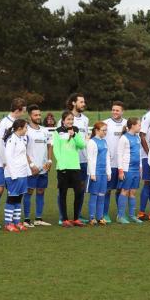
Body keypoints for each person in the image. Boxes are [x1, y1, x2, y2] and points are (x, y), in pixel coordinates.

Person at [0, 98, 27, 230]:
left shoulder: (19, 124)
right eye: (23, 111)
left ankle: (12, 220)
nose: (24, 114)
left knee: (15, 192)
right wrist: (5, 162)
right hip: (2, 163)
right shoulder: (4, 123)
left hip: (17, 165)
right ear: (18, 110)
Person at [53, 110, 87, 227]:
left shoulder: (75, 130)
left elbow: (82, 145)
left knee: (78, 192)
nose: (70, 121)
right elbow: (56, 150)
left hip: (75, 166)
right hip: (63, 168)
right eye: (68, 119)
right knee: (63, 193)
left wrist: (74, 135)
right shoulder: (57, 132)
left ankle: (76, 218)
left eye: (72, 119)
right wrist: (61, 165)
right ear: (63, 121)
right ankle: (65, 219)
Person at [23, 104, 53, 227]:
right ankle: (26, 219)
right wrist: (30, 164)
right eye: (35, 115)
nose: (38, 117)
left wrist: (49, 161)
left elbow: (50, 145)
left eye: (39, 114)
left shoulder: (44, 130)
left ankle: (38, 218)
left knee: (41, 191)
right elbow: (23, 149)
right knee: (29, 192)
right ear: (30, 116)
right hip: (31, 168)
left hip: (43, 168)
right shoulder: (26, 131)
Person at [62, 93, 89, 223]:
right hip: (68, 162)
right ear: (73, 103)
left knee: (81, 189)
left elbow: (85, 139)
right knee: (64, 189)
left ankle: (77, 215)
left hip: (83, 160)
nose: (83, 104)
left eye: (84, 102)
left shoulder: (85, 119)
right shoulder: (65, 118)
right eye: (81, 102)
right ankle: (64, 216)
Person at [2, 119, 31, 232]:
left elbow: (23, 156)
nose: (26, 130)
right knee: (12, 198)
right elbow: (8, 157)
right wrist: (13, 174)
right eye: (25, 127)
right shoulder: (11, 140)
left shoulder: (21, 139)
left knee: (19, 198)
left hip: (22, 173)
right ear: (19, 128)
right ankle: (8, 223)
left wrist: (27, 171)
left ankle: (17, 222)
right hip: (13, 174)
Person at [103, 101, 127, 223]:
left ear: (122, 111)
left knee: (120, 189)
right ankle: (105, 214)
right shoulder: (106, 123)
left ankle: (120, 214)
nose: (114, 112)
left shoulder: (127, 124)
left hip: (122, 164)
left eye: (117, 110)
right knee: (107, 190)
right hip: (110, 163)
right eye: (113, 110)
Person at [117, 117, 143, 224]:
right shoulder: (124, 138)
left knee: (133, 192)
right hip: (127, 169)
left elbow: (139, 153)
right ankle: (120, 216)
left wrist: (140, 167)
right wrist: (121, 170)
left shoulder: (138, 138)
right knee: (125, 191)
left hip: (136, 169)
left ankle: (132, 215)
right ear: (132, 125)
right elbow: (119, 154)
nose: (140, 127)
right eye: (139, 125)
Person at [86, 122, 111, 226]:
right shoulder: (92, 142)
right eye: (103, 130)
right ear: (96, 130)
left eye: (106, 130)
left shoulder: (105, 142)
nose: (105, 132)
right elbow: (90, 159)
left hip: (103, 173)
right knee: (94, 195)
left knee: (102, 195)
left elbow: (107, 157)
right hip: (95, 172)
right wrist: (92, 173)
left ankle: (100, 217)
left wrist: (108, 172)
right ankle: (92, 218)